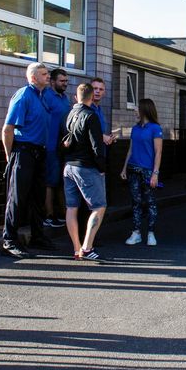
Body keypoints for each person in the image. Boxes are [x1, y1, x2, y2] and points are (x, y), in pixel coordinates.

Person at [1, 62, 53, 258]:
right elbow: (8, 129)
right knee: (17, 198)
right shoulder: (24, 95)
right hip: (23, 151)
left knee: (37, 197)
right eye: (44, 74)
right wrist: (9, 155)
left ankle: (37, 237)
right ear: (33, 78)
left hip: (39, 152)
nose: (48, 76)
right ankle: (9, 240)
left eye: (47, 73)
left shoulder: (42, 96)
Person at [62, 82, 108, 260]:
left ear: (77, 97)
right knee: (99, 206)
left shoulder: (70, 114)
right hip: (86, 166)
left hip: (68, 166)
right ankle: (88, 247)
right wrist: (101, 168)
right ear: (91, 97)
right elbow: (97, 146)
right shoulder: (91, 116)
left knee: (71, 207)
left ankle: (76, 248)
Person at [122, 98, 164, 246]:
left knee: (151, 202)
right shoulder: (135, 128)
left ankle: (151, 233)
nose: (134, 110)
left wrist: (155, 173)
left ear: (144, 109)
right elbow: (131, 149)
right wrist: (124, 168)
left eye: (136, 108)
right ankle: (136, 233)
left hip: (148, 171)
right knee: (136, 202)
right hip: (133, 169)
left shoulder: (155, 128)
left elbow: (158, 152)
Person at [43, 68, 73, 233]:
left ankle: (61, 213)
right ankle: (48, 215)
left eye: (66, 81)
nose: (65, 84)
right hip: (50, 146)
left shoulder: (65, 99)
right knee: (50, 182)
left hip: (63, 147)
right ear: (52, 81)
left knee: (61, 181)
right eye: (62, 81)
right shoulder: (46, 96)